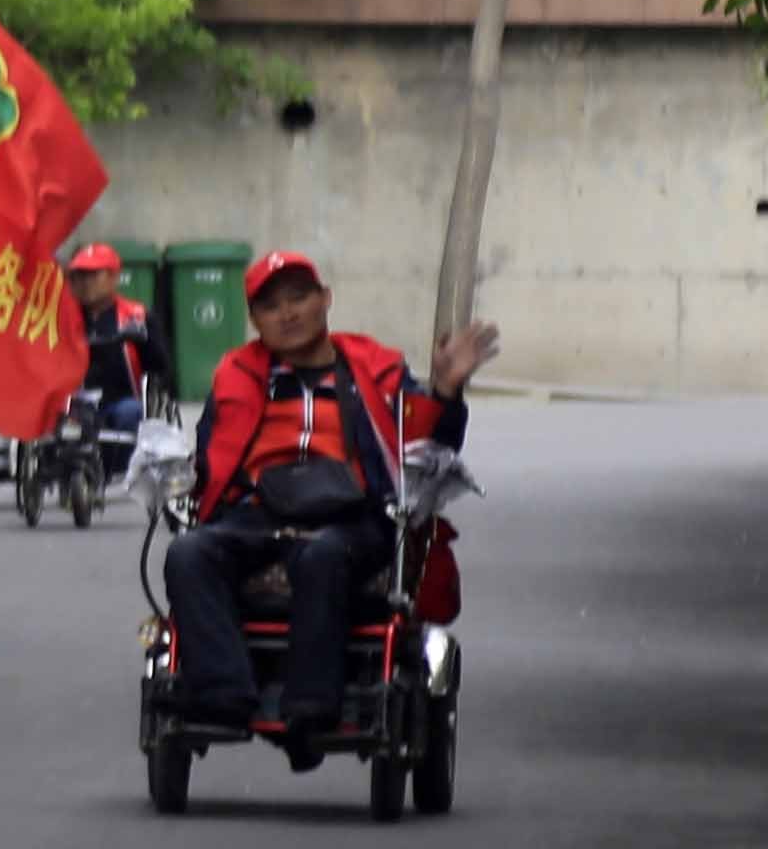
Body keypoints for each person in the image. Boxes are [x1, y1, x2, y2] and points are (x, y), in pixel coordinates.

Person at [163, 248, 498, 764]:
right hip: (258, 512)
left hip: (352, 515)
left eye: (300, 298)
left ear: (326, 301)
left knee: (322, 555)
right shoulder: (236, 375)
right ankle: (223, 693)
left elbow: (428, 445)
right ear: (255, 320)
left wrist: (447, 391)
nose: (289, 313)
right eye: (272, 306)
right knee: (188, 552)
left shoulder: (375, 369)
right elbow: (209, 459)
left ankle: (312, 706)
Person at [69, 242, 171, 435]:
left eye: (93, 275)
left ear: (114, 277)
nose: (85, 282)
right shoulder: (62, 318)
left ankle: (121, 465)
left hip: (121, 402)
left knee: (130, 412)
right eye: (80, 275)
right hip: (74, 403)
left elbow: (161, 371)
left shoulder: (137, 316)